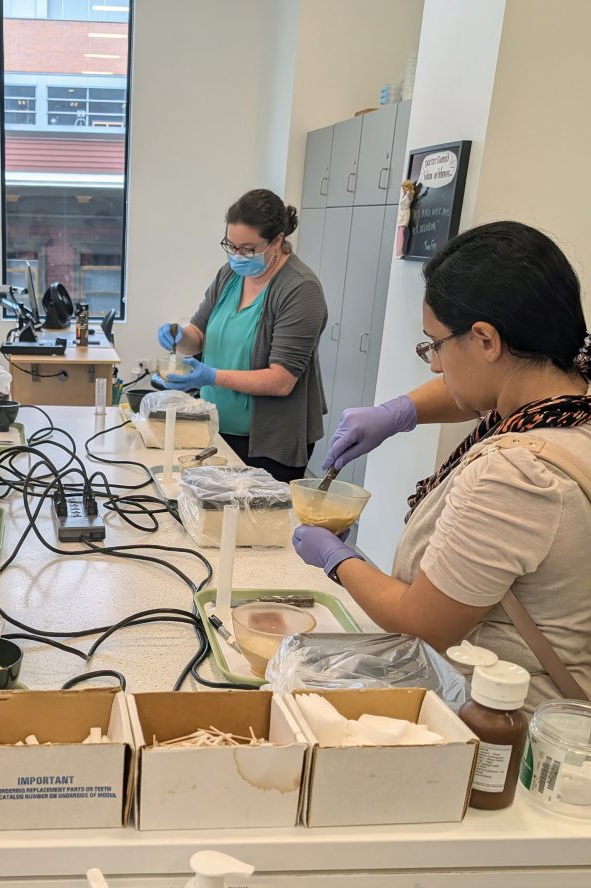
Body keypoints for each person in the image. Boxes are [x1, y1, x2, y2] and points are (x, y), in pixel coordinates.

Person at [293, 221, 591, 709]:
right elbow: (479, 392)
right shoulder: (568, 393)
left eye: (435, 345)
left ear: (486, 339)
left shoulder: (516, 476)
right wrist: (398, 413)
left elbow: (422, 623)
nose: (434, 366)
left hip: (503, 724)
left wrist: (337, 559)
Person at [157, 189, 328, 482]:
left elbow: (281, 380)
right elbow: (198, 333)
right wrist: (178, 335)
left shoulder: (300, 290)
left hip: (267, 445)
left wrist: (211, 376)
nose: (237, 256)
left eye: (247, 249)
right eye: (231, 246)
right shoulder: (230, 275)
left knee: (253, 523)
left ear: (277, 241)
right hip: (216, 430)